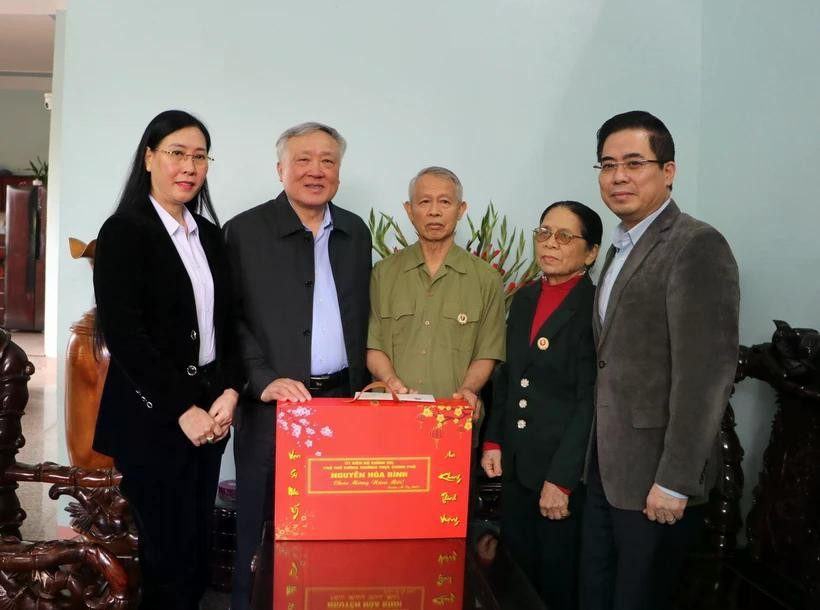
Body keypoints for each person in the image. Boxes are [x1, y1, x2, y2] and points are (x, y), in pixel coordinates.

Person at [579, 110, 740, 610]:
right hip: (606, 466)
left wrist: (675, 480)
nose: (618, 177)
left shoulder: (697, 245)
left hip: (657, 477)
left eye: (634, 163)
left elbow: (706, 378)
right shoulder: (620, 248)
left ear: (668, 171)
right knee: (596, 595)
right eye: (608, 165)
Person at [93, 109, 242, 610]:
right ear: (149, 158)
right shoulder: (124, 231)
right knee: (167, 561)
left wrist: (229, 390)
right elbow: (126, 337)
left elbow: (228, 325)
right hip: (154, 419)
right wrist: (182, 408)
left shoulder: (209, 235)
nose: (189, 166)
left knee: (197, 553)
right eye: (177, 153)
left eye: (200, 156)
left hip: (211, 416)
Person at [224, 122, 371, 610]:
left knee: (332, 527)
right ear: (280, 169)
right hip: (272, 407)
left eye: (328, 160)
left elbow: (365, 313)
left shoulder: (355, 231)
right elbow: (227, 319)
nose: (316, 170)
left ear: (339, 171)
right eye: (303, 159)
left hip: (343, 404)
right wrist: (262, 379)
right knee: (261, 529)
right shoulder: (243, 232)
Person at [482, 201, 601, 609]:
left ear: (591, 253)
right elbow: (509, 376)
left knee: (554, 579)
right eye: (544, 233)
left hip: (559, 471)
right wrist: (493, 441)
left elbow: (590, 401)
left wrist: (562, 480)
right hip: (517, 465)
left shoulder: (595, 308)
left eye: (565, 237)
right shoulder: (526, 297)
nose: (550, 243)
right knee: (515, 573)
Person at [366, 166, 505, 411]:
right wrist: (390, 380)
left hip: (454, 416)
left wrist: (468, 389)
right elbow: (373, 344)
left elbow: (487, 351)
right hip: (391, 414)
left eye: (445, 202)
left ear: (461, 209)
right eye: (424, 202)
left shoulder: (486, 279)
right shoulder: (383, 274)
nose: (434, 211)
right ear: (409, 210)